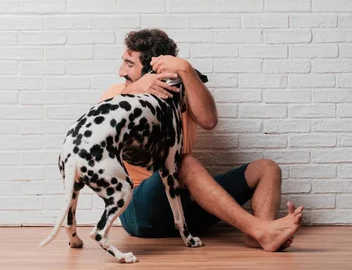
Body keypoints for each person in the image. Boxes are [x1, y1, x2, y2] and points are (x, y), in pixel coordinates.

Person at [99, 28, 303, 252]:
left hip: (184, 209)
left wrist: (185, 70)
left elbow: (208, 120)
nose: (121, 71)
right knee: (182, 162)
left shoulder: (180, 94)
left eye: (129, 64)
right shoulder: (117, 93)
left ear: (151, 69)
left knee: (267, 168)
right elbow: (103, 122)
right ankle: (261, 229)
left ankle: (261, 235)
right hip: (139, 209)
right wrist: (138, 88)